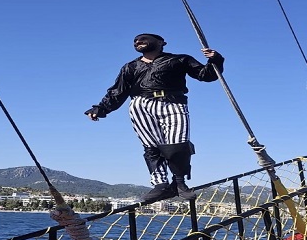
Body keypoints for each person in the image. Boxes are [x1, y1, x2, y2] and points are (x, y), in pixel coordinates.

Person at [85, 33, 224, 202]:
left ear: (161, 42)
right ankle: (161, 185)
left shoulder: (180, 59)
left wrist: (215, 60)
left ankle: (179, 183)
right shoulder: (130, 67)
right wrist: (100, 108)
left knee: (178, 144)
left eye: (143, 39)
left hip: (173, 102)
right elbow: (117, 91)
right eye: (135, 41)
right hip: (141, 104)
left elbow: (206, 75)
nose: (138, 41)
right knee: (151, 146)